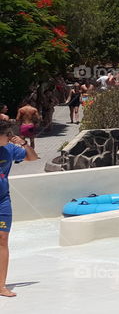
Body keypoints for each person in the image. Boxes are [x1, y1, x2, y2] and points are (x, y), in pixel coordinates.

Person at [0, 120, 37, 297]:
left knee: (2, 239)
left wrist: (23, 143)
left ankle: (1, 285)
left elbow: (32, 158)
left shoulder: (10, 149)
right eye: (6, 134)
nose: (9, 136)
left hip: (2, 201)